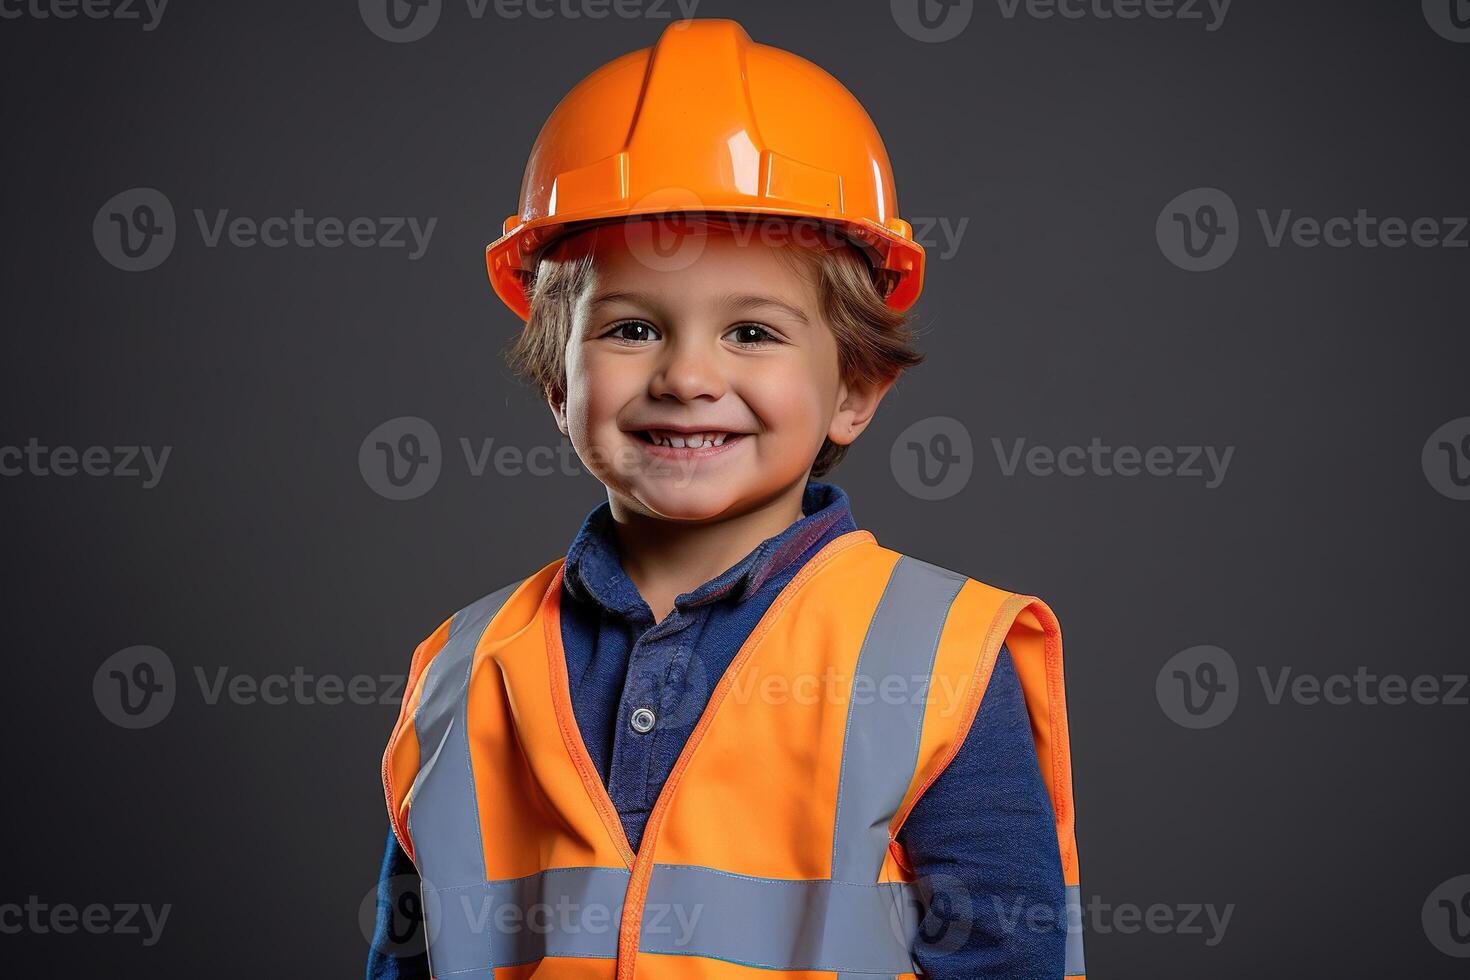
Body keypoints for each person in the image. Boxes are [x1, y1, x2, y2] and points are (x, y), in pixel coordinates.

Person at [368, 18, 1083, 980]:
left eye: (751, 332)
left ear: (854, 390)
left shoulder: (938, 661)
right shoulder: (464, 671)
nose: (687, 377)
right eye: (629, 329)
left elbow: (1007, 958)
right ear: (556, 382)